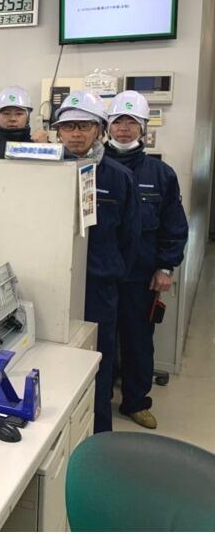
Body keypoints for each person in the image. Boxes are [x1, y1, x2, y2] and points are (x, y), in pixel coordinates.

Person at [54, 90, 140, 433]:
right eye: (68, 126)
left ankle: (100, 434)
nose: (76, 134)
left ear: (100, 130)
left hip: (99, 287)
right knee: (56, 359)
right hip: (55, 283)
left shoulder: (118, 177)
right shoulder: (44, 169)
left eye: (85, 126)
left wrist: (111, 272)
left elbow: (131, 237)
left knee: (98, 362)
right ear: (58, 132)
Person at [104, 90, 189, 429]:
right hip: (101, 274)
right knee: (99, 339)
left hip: (140, 275)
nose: (124, 129)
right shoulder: (91, 167)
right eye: (118, 122)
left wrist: (166, 266)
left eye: (132, 122)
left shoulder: (161, 173)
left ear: (143, 128)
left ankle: (136, 402)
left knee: (138, 341)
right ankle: (97, 396)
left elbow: (174, 225)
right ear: (108, 126)